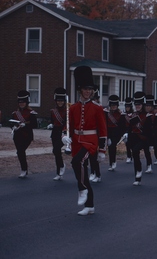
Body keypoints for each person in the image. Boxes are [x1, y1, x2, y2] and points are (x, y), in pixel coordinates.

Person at [62, 66, 107, 216]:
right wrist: (64, 136)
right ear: (80, 90)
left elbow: (103, 130)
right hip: (77, 142)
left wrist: (102, 150)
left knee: (77, 162)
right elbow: (67, 126)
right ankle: (90, 206)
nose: (87, 92)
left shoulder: (97, 108)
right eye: (85, 89)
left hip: (91, 142)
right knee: (80, 172)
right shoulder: (73, 108)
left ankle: (82, 189)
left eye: (90, 89)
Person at [11, 90, 38, 178]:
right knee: (19, 152)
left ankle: (24, 169)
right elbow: (11, 123)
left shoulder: (31, 113)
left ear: (27, 102)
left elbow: (35, 125)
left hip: (27, 136)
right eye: (20, 102)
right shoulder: (15, 113)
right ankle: (24, 169)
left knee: (21, 151)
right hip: (17, 136)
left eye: (23, 102)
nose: (21, 104)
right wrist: (13, 127)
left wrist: (25, 124)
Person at [127, 92, 152, 185]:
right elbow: (130, 127)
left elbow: (149, 130)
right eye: (136, 104)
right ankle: (138, 174)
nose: (137, 106)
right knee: (135, 154)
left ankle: (141, 169)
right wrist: (127, 134)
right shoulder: (133, 115)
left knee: (136, 150)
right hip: (134, 138)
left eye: (139, 104)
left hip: (143, 138)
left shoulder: (147, 116)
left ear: (143, 105)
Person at [47, 87, 67, 181]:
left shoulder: (67, 111)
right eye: (58, 101)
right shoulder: (52, 111)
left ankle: (61, 167)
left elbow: (67, 123)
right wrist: (51, 124)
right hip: (54, 133)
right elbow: (52, 121)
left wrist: (65, 132)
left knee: (56, 150)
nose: (60, 102)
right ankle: (59, 172)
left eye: (62, 101)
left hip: (63, 133)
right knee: (56, 152)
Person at [105, 95, 126, 171]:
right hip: (108, 132)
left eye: (115, 105)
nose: (113, 106)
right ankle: (111, 162)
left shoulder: (121, 114)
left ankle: (113, 162)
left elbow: (122, 126)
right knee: (109, 147)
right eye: (112, 105)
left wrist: (122, 134)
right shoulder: (106, 113)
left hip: (116, 133)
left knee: (112, 146)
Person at [89, 87, 103, 183]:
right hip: (89, 134)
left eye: (95, 99)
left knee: (94, 155)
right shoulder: (89, 108)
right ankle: (93, 172)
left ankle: (97, 174)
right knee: (90, 156)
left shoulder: (99, 109)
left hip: (97, 134)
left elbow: (103, 125)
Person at [123, 97, 134, 163]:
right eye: (126, 107)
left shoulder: (133, 114)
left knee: (131, 144)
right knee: (127, 144)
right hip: (125, 130)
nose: (127, 108)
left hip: (131, 130)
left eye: (128, 107)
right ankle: (129, 156)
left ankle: (131, 155)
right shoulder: (124, 114)